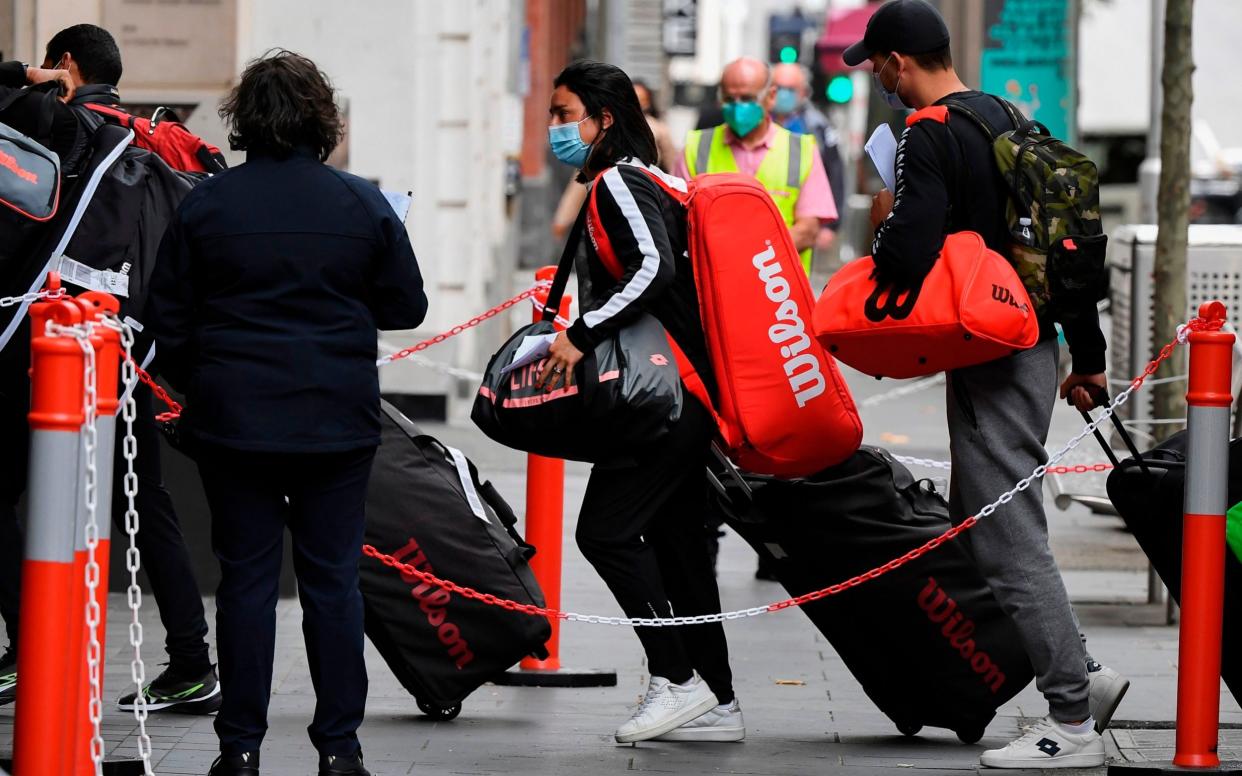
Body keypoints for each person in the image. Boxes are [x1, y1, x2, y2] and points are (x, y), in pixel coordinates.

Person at [843, 0, 1127, 768]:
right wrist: (1087, 356)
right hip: (1031, 344)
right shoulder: (1004, 117)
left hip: (989, 352)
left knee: (1006, 533)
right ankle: (1086, 678)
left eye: (877, 66)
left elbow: (905, 254)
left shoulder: (929, 134)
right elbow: (1065, 244)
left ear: (900, 62)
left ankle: (1071, 723)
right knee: (984, 512)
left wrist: (886, 213)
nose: (878, 80)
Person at [146, 50, 427, 776]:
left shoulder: (206, 204)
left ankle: (239, 748)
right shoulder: (361, 202)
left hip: (235, 421)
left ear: (246, 122)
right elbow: (406, 305)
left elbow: (166, 323)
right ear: (320, 120)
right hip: (335, 420)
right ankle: (340, 749)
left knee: (244, 583)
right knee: (333, 582)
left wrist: (207, 380)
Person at [0, 24, 220, 715]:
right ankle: (191, 660)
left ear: (64, 64)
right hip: (129, 348)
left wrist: (25, 78)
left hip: (50, 345)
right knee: (144, 501)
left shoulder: (65, 126)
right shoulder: (151, 137)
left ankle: (29, 646)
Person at [540, 59, 742, 744]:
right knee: (683, 551)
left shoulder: (621, 180)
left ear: (603, 120)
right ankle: (717, 703)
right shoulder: (649, 179)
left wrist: (582, 329)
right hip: (688, 395)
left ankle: (676, 679)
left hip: (664, 400)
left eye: (565, 114)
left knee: (605, 532)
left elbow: (654, 267)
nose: (555, 127)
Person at [673, 57, 836, 276]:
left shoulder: (802, 150)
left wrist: (747, 256)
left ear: (770, 97)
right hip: (712, 290)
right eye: (730, 99)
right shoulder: (696, 146)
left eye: (748, 98)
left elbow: (807, 231)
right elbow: (679, 221)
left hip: (781, 296)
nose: (738, 107)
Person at [770, 62, 845, 253]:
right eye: (778, 88)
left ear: (803, 92)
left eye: (790, 89)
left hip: (802, 227)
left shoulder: (817, 126)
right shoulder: (756, 122)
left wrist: (830, 226)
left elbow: (835, 174)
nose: (783, 94)